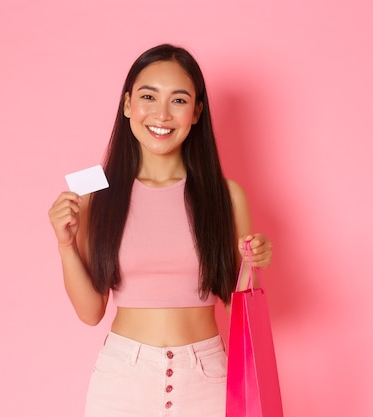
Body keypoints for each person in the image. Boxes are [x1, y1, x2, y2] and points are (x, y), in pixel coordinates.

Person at [48, 44, 272, 417]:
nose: (162, 114)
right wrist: (65, 244)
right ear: (127, 105)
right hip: (121, 379)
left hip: (208, 379)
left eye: (179, 100)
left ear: (197, 111)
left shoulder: (227, 196)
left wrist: (255, 262)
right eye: (148, 96)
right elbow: (90, 312)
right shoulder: (95, 192)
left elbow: (238, 309)